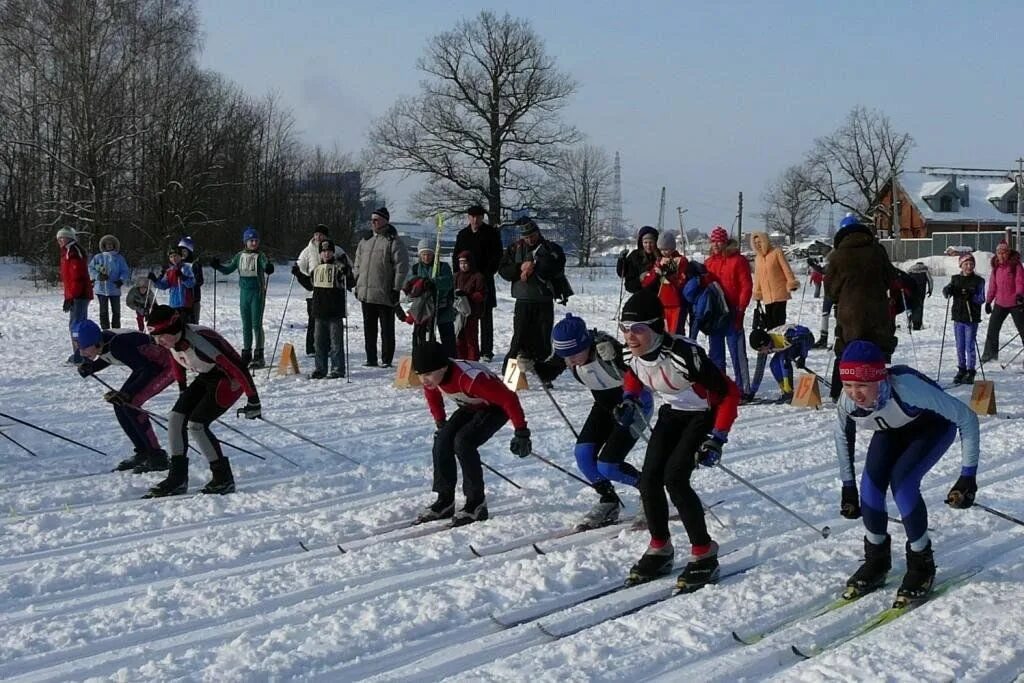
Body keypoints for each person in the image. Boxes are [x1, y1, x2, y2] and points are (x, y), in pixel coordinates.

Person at [834, 340, 979, 604]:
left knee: (903, 485)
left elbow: (966, 418)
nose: (855, 393)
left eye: (862, 385)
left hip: (931, 428)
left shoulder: (907, 388)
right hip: (892, 430)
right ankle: (876, 559)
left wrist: (968, 475)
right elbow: (842, 435)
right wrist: (847, 486)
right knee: (870, 488)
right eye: (848, 385)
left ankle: (921, 563)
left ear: (880, 379)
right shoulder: (847, 401)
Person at [616, 291, 740, 591]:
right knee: (648, 480)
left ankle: (704, 551)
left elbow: (729, 394)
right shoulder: (630, 353)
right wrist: (629, 399)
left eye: (638, 329)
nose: (630, 336)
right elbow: (635, 373)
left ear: (657, 328)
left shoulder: (685, 355)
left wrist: (718, 438)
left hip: (702, 414)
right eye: (625, 327)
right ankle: (660, 547)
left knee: (676, 479)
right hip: (672, 412)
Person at [522, 313, 652, 530]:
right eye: (566, 356)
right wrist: (532, 365)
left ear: (586, 343)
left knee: (609, 465)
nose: (570, 360)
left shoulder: (605, 348)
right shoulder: (568, 353)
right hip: (603, 406)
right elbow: (549, 372)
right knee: (583, 456)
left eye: (574, 354)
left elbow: (636, 365)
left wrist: (618, 355)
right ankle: (608, 500)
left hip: (633, 405)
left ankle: (649, 493)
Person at [143, 305, 262, 497]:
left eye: (160, 336)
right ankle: (178, 477)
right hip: (206, 376)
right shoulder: (172, 340)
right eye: (155, 337)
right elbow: (176, 360)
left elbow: (236, 365)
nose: (158, 342)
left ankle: (223, 478)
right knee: (175, 417)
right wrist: (183, 388)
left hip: (228, 379)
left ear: (174, 329)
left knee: (196, 425)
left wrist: (253, 399)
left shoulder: (200, 340)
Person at [411, 340, 531, 527]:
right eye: (419, 375)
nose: (423, 380)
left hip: (495, 407)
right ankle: (445, 500)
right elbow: (432, 395)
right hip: (471, 404)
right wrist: (441, 422)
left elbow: (509, 398)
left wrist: (521, 431)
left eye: (427, 374)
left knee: (463, 442)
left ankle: (476, 504)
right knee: (442, 441)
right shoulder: (434, 376)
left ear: (443, 367)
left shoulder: (469, 378)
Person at [74, 319, 176, 473]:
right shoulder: (105, 342)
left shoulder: (118, 345)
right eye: (79, 348)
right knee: (120, 403)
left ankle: (157, 457)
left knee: (131, 404)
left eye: (85, 348)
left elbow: (147, 369)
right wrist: (92, 367)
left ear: (95, 343)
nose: (82, 353)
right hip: (147, 367)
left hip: (165, 367)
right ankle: (143, 452)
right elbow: (108, 356)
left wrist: (127, 393)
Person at [825, 214, 900, 400]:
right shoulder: (878, 251)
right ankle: (880, 389)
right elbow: (891, 278)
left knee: (847, 350)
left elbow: (831, 291)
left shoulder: (838, 256)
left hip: (850, 314)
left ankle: (840, 392)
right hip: (877, 311)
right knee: (878, 349)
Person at [497, 218, 567, 372]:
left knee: (543, 338)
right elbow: (503, 270)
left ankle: (543, 372)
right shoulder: (514, 249)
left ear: (538, 233)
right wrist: (519, 267)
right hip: (523, 300)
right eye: (526, 237)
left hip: (544, 300)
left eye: (532, 236)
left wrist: (534, 267)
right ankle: (510, 373)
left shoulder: (551, 248)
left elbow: (557, 266)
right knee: (519, 337)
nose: (530, 239)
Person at [211, 226, 275, 369]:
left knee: (256, 324)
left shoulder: (260, 256)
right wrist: (217, 266)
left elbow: (266, 265)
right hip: (244, 293)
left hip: (257, 293)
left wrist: (268, 268)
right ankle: (246, 353)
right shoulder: (239, 256)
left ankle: (259, 355)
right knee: (246, 325)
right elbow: (228, 269)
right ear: (245, 242)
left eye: (256, 240)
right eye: (251, 240)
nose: (253, 243)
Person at [353, 207, 409, 368]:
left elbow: (401, 267)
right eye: (372, 219)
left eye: (376, 219)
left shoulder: (393, 241)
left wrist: (396, 288)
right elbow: (358, 263)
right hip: (366, 292)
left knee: (387, 329)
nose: (373, 222)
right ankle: (371, 358)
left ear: (385, 220)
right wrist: (357, 283)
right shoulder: (365, 240)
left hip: (385, 292)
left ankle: (386, 359)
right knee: (369, 328)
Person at [291, 238, 353, 379]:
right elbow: (309, 285)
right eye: (324, 251)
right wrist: (298, 274)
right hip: (319, 312)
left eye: (329, 251)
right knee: (319, 343)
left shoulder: (338, 268)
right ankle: (320, 369)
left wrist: (346, 271)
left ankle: (338, 369)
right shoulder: (317, 270)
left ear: (333, 252)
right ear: (320, 254)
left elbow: (350, 282)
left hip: (335, 312)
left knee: (336, 344)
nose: (326, 254)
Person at [704, 226, 753, 397]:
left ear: (725, 242)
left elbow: (746, 286)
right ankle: (720, 387)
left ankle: (743, 389)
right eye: (713, 241)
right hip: (715, 314)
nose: (716, 244)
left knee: (737, 354)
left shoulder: (738, 260)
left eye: (719, 241)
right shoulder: (709, 262)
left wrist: (741, 309)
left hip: (733, 312)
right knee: (716, 354)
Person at [452, 205, 503, 362]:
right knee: (465, 316)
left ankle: (487, 351)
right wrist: (458, 277)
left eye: (478, 217)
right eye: (472, 217)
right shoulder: (463, 235)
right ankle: (465, 349)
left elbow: (497, 256)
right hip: (464, 281)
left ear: (482, 218)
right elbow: (456, 257)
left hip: (483, 280)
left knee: (485, 316)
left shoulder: (491, 234)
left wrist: (486, 273)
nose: (475, 220)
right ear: (468, 217)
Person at [405, 238, 456, 357]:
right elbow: (411, 284)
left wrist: (434, 282)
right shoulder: (416, 268)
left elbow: (449, 282)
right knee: (419, 336)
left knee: (447, 336)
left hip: (442, 307)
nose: (426, 257)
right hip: (423, 308)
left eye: (429, 254)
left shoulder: (443, 267)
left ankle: (451, 359)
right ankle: (419, 358)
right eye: (423, 254)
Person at [943, 254, 986, 384]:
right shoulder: (955, 279)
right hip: (958, 316)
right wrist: (947, 290)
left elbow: (981, 298)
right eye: (966, 264)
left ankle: (971, 370)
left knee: (969, 346)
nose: (969, 266)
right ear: (960, 265)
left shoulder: (978, 281)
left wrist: (971, 296)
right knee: (960, 346)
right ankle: (961, 369)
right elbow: (949, 290)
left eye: (971, 264)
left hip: (971, 318)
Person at [979, 241, 1024, 363]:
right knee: (992, 329)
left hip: (1016, 303)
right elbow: (993, 285)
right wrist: (988, 301)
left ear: (1008, 253)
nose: (1001, 255)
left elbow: (1020, 281)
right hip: (1000, 303)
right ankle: (990, 355)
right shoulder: (996, 267)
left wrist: (1020, 295)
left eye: (1004, 253)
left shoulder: (1016, 265)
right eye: (999, 253)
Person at [747, 324, 814, 403]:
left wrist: (803, 357)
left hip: (806, 338)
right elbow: (759, 370)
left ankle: (788, 391)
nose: (761, 352)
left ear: (764, 344)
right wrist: (752, 393)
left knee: (784, 359)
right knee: (774, 364)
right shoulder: (765, 346)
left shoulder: (785, 337)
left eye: (760, 350)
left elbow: (804, 338)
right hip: (790, 345)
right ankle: (786, 391)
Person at [637, 231, 687, 335]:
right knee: (663, 332)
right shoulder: (660, 260)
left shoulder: (680, 260)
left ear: (672, 248)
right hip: (662, 300)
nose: (664, 252)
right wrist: (650, 275)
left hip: (676, 302)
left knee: (676, 332)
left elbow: (680, 281)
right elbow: (647, 282)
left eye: (666, 249)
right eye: (661, 249)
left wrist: (665, 273)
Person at [56, 227, 93, 364]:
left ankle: (80, 355)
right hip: (76, 294)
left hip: (79, 295)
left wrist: (72, 296)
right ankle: (82, 354)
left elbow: (77, 277)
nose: (60, 240)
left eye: (63, 237)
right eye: (58, 238)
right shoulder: (67, 251)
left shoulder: (73, 251)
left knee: (76, 325)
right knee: (78, 324)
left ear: (70, 238)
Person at [296, 225, 332, 356]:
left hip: (329, 291)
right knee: (313, 319)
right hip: (312, 292)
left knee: (327, 320)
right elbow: (300, 266)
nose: (318, 237)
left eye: (321, 235)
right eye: (316, 234)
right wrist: (306, 276)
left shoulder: (332, 249)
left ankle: (327, 346)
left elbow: (344, 263)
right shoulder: (308, 250)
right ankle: (311, 347)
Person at [88, 234, 130, 330]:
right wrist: (98, 276)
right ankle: (105, 330)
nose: (109, 245)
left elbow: (125, 271)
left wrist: (121, 280)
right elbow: (90, 268)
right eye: (107, 244)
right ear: (104, 245)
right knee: (103, 312)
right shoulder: (98, 257)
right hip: (101, 290)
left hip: (115, 289)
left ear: (114, 245)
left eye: (111, 244)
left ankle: (116, 330)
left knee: (116, 311)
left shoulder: (119, 258)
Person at [454, 250, 487, 361]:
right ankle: (461, 361)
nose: (463, 266)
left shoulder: (478, 276)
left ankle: (473, 362)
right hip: (458, 313)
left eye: (465, 263)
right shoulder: (456, 276)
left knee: (471, 339)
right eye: (461, 263)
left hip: (472, 312)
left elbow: (481, 294)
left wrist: (467, 296)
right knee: (459, 338)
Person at [150, 247, 196, 322]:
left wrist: (183, 277)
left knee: (186, 326)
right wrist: (155, 280)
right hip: (173, 304)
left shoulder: (186, 268)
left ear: (180, 257)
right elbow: (164, 285)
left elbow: (191, 284)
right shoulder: (169, 271)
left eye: (175, 256)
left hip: (185, 304)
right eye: (171, 256)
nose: (173, 258)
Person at [620, 226, 659, 295]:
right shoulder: (635, 256)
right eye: (645, 242)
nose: (648, 245)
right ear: (641, 243)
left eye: (651, 242)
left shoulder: (661, 256)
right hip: (640, 297)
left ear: (656, 242)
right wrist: (640, 279)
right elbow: (628, 284)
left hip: (659, 298)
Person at [177, 236, 204, 324]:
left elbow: (199, 281)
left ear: (189, 252)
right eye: (181, 251)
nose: (182, 254)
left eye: (185, 251)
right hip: (180, 299)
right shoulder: (177, 264)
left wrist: (189, 279)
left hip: (193, 299)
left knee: (193, 324)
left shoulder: (194, 264)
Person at [906, 262, 933, 331]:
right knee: (919, 307)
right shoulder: (925, 269)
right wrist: (930, 290)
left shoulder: (910, 269)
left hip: (911, 290)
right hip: (921, 291)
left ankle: (910, 319)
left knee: (911, 305)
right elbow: (930, 280)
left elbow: (905, 278)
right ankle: (917, 325)